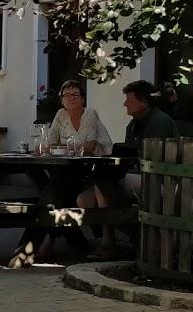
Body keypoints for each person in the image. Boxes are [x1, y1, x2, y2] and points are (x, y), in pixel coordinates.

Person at [80, 79, 179, 256]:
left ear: (144, 102)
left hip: (160, 181)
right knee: (84, 200)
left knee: (104, 183)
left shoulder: (159, 122)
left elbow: (154, 161)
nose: (125, 103)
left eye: (129, 99)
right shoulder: (133, 124)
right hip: (136, 176)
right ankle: (116, 237)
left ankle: (111, 243)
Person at [33, 79, 113, 262]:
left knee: (57, 189)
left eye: (75, 95)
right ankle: (48, 242)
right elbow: (49, 143)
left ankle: (46, 241)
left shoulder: (90, 114)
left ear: (83, 99)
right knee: (58, 189)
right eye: (66, 95)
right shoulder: (61, 115)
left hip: (99, 171)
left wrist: (62, 147)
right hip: (74, 170)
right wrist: (61, 147)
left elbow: (91, 147)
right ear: (61, 100)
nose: (71, 99)